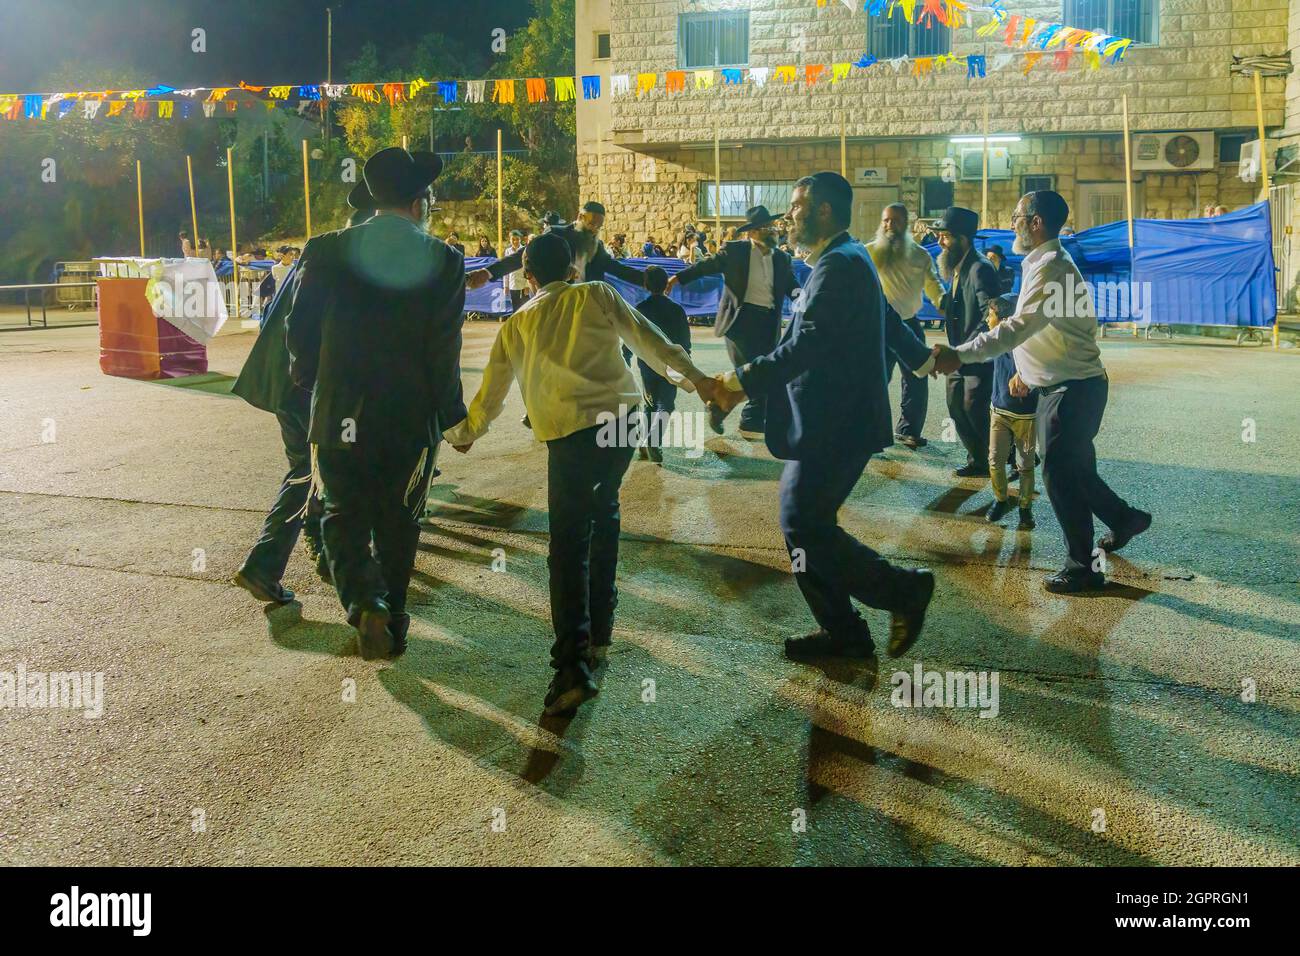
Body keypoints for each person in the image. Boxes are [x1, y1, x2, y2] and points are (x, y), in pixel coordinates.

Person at [443, 234, 719, 714]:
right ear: (572, 269)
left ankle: (573, 662)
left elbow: (492, 392)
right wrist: (695, 378)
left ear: (527, 277)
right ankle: (601, 625)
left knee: (568, 542)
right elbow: (648, 340)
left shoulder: (517, 322)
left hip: (570, 435)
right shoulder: (597, 294)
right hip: (621, 425)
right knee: (604, 510)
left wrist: (467, 432)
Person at [705, 172, 935, 661]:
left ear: (824, 210)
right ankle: (845, 632)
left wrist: (736, 382)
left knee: (803, 523)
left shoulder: (841, 264)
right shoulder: (846, 258)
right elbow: (887, 319)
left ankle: (900, 592)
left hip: (837, 424)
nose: (789, 216)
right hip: (829, 422)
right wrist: (921, 358)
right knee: (804, 522)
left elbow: (807, 344)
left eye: (797, 206)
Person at [285, 147, 467, 657]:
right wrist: (453, 415)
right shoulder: (445, 259)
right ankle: (397, 617)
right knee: (399, 520)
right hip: (408, 418)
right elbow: (442, 349)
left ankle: (367, 604)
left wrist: (310, 381)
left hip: (339, 409)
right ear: (417, 202)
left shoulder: (323, 249)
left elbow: (297, 330)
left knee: (340, 515)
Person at [931, 190, 1152, 593]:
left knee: (1059, 476)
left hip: (1071, 391)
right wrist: (1024, 370)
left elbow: (1017, 328)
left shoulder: (1051, 266)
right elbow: (1038, 331)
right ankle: (1124, 519)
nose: (1013, 221)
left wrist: (959, 355)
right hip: (1069, 387)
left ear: (1035, 222)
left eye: (1017, 215)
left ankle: (1081, 568)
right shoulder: (1043, 264)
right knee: (1076, 471)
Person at [229, 191, 378, 604]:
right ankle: (263, 563)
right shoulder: (345, 262)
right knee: (306, 475)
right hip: (305, 390)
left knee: (311, 474)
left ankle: (323, 556)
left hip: (286, 385)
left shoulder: (322, 253)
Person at [667, 204, 799, 437]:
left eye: (772, 226)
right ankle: (750, 422)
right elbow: (706, 266)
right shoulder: (735, 251)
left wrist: (806, 302)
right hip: (740, 321)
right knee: (754, 371)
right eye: (765, 227)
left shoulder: (781, 258)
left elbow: (792, 286)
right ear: (752, 232)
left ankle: (720, 407)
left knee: (761, 373)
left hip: (769, 323)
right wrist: (677, 278)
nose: (772, 231)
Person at [867, 202, 946, 449]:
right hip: (878, 327)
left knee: (917, 379)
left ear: (907, 224)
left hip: (910, 326)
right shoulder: (868, 252)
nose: (890, 225)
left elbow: (933, 284)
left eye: (896, 221)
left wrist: (943, 301)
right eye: (886, 220)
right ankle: (871, 433)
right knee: (874, 381)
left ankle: (909, 430)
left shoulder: (920, 256)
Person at [934, 206, 1001, 479]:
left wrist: (968, 350)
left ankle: (992, 459)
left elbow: (991, 314)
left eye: (946, 236)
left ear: (963, 239)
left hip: (975, 355)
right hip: (957, 354)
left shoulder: (979, 268)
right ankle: (978, 459)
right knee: (955, 407)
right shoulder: (958, 268)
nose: (940, 242)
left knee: (974, 408)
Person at [467, 201, 645, 291]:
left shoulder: (596, 246)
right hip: (555, 303)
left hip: (586, 305)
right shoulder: (556, 234)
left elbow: (617, 269)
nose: (594, 230)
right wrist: (488, 272)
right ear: (580, 217)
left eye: (599, 226)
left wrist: (650, 281)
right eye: (591, 224)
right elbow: (524, 255)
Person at [631, 265, 692, 463]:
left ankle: (644, 444)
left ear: (645, 285)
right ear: (667, 284)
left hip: (647, 363)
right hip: (671, 364)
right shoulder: (676, 309)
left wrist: (625, 356)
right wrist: (687, 365)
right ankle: (653, 441)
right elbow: (685, 342)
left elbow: (632, 339)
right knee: (665, 404)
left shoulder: (640, 310)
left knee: (649, 402)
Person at [984, 303, 1037, 529]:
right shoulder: (994, 340)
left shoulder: (1029, 346)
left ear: (1004, 319)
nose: (987, 319)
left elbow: (1042, 368)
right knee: (995, 461)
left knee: (1025, 465)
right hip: (998, 412)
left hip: (1025, 417)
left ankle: (1025, 509)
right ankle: (1000, 500)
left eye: (991, 315)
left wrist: (1025, 373)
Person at [502, 229, 529, 313]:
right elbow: (505, 268)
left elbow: (528, 268)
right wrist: (505, 285)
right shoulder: (507, 251)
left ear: (520, 239)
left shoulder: (525, 249)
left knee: (525, 306)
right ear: (510, 240)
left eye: (517, 239)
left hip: (523, 282)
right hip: (513, 282)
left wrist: (527, 285)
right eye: (513, 239)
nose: (515, 241)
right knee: (515, 307)